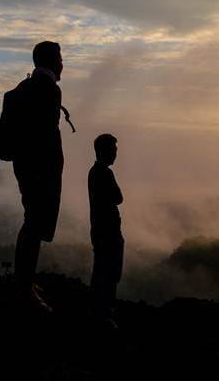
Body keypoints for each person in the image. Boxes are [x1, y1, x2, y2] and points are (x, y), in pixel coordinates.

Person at [0, 40, 69, 313]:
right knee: (34, 224)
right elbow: (45, 136)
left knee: (32, 222)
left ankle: (25, 281)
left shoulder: (23, 89)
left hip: (26, 166)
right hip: (40, 169)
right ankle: (24, 288)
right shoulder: (49, 90)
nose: (63, 64)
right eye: (60, 59)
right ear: (52, 61)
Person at [88, 133, 124, 328]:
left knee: (102, 270)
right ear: (105, 151)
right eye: (114, 150)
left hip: (100, 229)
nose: (115, 154)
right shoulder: (104, 173)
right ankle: (103, 313)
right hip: (107, 230)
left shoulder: (94, 172)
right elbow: (119, 197)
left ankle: (99, 311)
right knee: (108, 272)